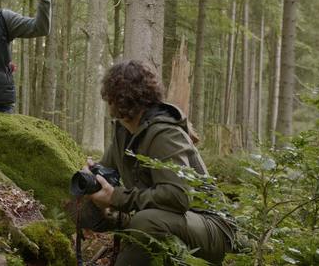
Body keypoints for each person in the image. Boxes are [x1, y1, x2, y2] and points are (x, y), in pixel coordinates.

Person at [79, 60, 236, 265]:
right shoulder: (123, 133)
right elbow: (105, 176)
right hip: (174, 221)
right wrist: (93, 184)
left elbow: (178, 197)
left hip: (214, 228)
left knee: (145, 221)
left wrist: (116, 197)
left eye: (109, 97)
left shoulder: (164, 132)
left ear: (119, 99)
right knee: (101, 213)